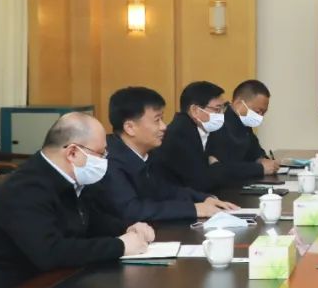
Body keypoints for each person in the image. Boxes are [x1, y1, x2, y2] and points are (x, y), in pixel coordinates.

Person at [0, 113, 154, 288]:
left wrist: (127, 229)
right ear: (72, 152)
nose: (105, 160)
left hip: (52, 281)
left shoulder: (68, 177)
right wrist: (120, 246)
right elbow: (50, 252)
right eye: (101, 153)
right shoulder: (26, 188)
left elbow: (89, 220)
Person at [101, 86, 239, 222]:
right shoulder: (109, 161)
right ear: (130, 127)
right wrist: (194, 209)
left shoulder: (150, 154)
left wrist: (204, 199)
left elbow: (166, 190)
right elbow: (133, 210)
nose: (164, 127)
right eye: (157, 120)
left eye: (162, 119)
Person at [152, 81, 238, 193]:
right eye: (217, 110)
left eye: (223, 109)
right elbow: (201, 183)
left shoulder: (208, 129)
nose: (221, 115)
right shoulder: (179, 135)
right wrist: (217, 167)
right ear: (195, 110)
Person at [207, 79, 280, 179]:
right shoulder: (218, 124)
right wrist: (260, 168)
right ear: (238, 103)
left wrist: (262, 160)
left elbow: (255, 152)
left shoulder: (244, 123)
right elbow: (224, 168)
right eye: (257, 112)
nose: (260, 117)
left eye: (263, 113)